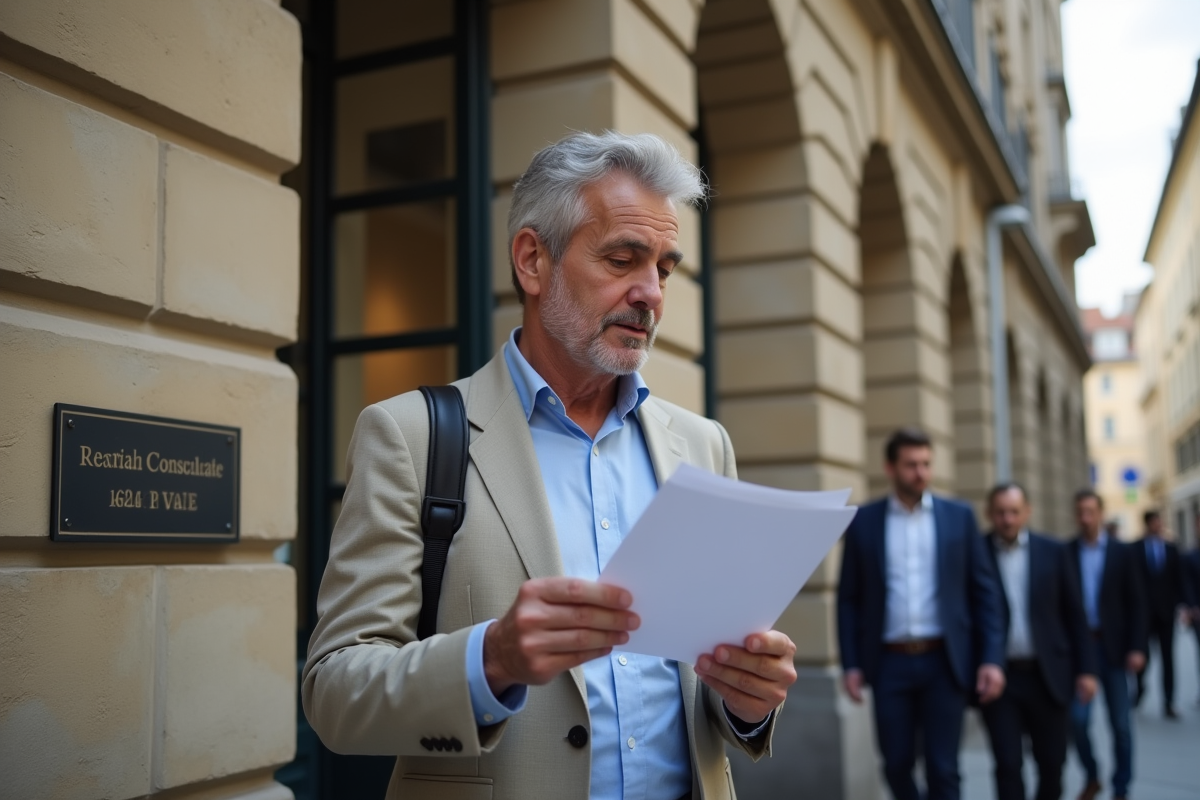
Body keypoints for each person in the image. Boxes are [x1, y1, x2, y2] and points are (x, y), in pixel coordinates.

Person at [301, 132, 795, 800]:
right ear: (533, 261)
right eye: (623, 259)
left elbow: (706, 692)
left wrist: (746, 699)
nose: (651, 293)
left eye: (665, 268)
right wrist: (491, 660)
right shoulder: (410, 436)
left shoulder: (703, 446)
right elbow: (335, 693)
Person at [837, 427, 1006, 800]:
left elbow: (985, 594)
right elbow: (848, 598)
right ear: (890, 467)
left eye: (926, 464)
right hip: (889, 663)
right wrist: (851, 664)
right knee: (896, 764)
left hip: (944, 662)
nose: (921, 472)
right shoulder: (864, 521)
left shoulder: (958, 517)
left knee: (943, 767)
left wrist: (991, 659)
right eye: (911, 464)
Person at [979, 483, 1098, 800]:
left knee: (1052, 762)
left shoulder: (1054, 551)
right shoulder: (976, 552)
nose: (1007, 519)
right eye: (1000, 512)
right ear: (989, 514)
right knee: (1007, 764)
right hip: (1000, 677)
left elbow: (1076, 615)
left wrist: (1086, 670)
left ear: (1027, 512)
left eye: (1014, 512)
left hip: (1048, 676)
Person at [1067, 490, 1148, 800]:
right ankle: (1091, 776)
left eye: (1090, 512)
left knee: (1121, 726)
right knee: (1077, 721)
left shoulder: (1123, 553)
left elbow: (1137, 603)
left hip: (1114, 649)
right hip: (1080, 651)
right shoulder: (1066, 552)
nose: (1085, 519)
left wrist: (1138, 647)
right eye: (1080, 513)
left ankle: (1121, 786)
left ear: (1100, 513)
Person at [1132, 509, 1185, 717]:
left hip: (1166, 613)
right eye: (1154, 522)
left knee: (1168, 658)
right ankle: (1140, 688)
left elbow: (1179, 579)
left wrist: (1182, 605)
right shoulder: (1135, 549)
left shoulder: (1171, 548)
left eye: (1159, 522)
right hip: (1143, 615)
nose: (1158, 526)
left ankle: (1169, 700)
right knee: (1141, 655)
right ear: (1147, 524)